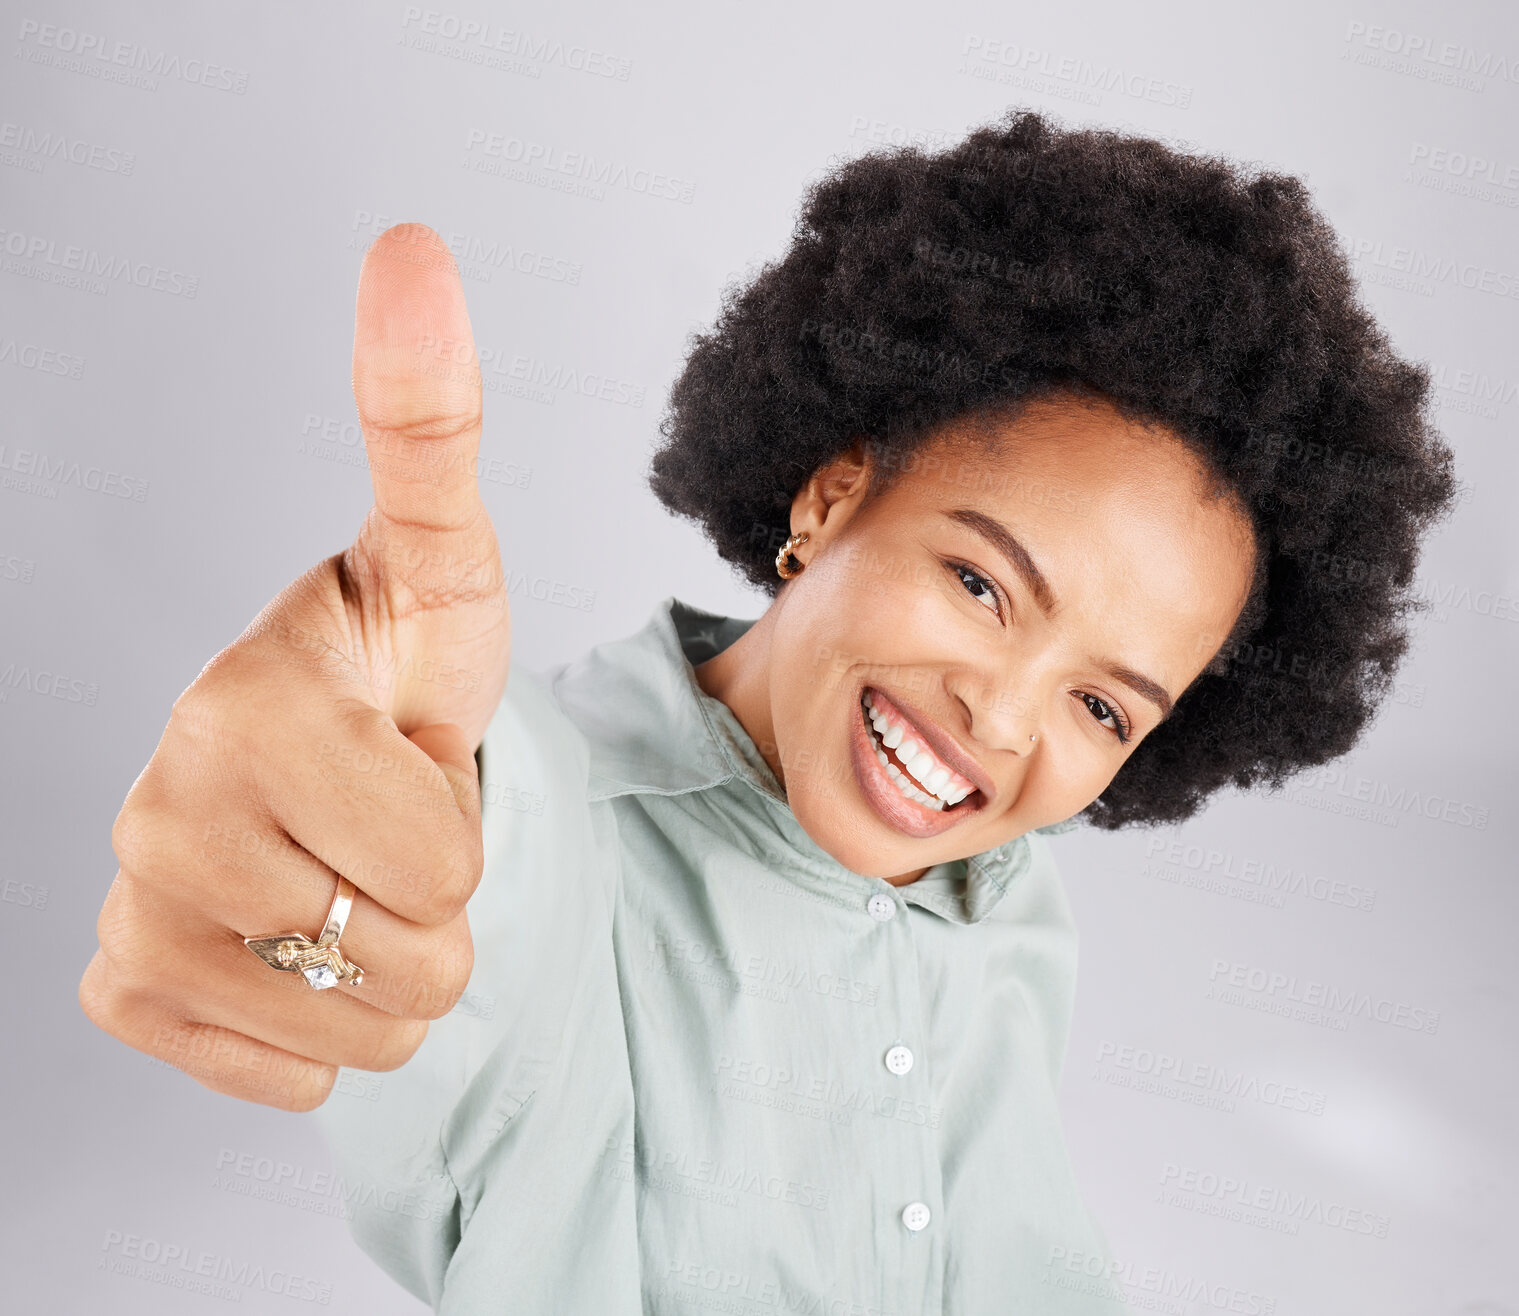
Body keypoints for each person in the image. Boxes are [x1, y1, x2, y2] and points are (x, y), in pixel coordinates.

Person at [78, 109, 1457, 1313]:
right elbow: (425, 875)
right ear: (833, 495)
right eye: (983, 583)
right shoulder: (540, 821)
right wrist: (305, 851)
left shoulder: (1011, 906)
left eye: (1103, 704)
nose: (1006, 720)